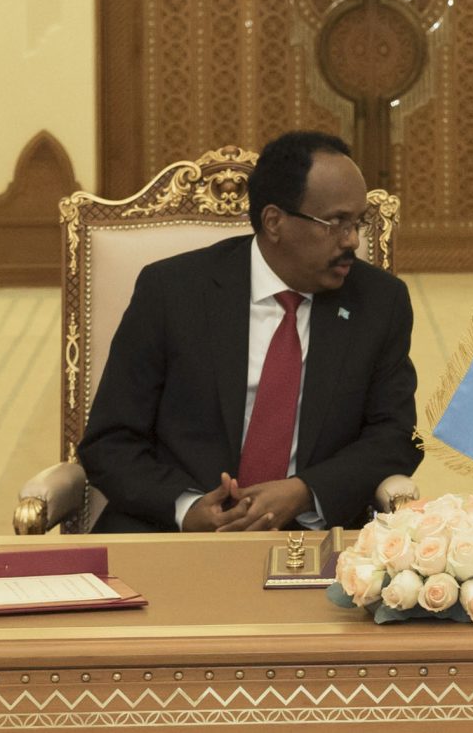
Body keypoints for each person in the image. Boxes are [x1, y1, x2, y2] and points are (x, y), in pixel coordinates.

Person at [81, 130, 421, 532]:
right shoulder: (172, 291)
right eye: (335, 223)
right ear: (274, 222)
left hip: (308, 537)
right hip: (169, 531)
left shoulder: (379, 302)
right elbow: (110, 440)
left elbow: (396, 436)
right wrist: (187, 509)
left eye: (357, 222)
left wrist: (305, 492)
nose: (352, 240)